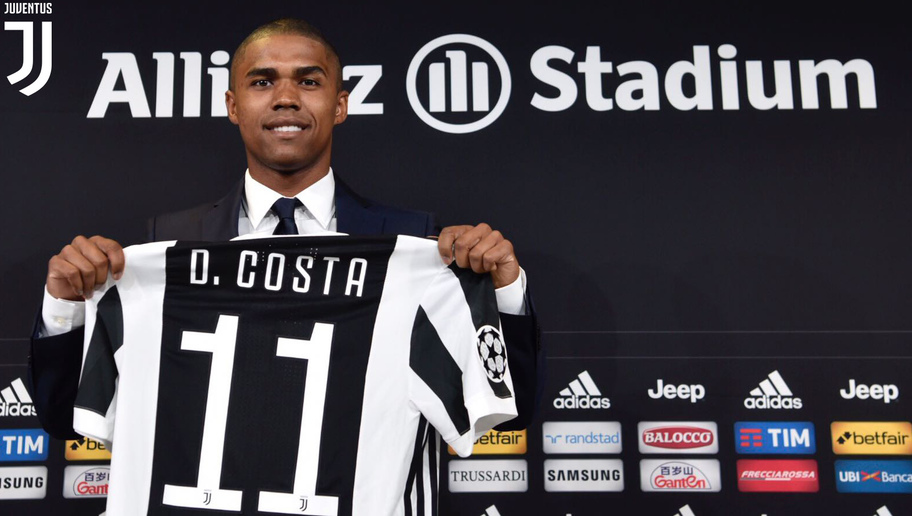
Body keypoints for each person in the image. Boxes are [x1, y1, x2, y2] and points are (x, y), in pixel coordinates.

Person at [29, 19, 541, 443]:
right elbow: (68, 419)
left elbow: (506, 414)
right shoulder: (168, 245)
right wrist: (64, 308)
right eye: (262, 82)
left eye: (309, 82)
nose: (286, 98)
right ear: (233, 106)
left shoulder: (414, 242)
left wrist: (503, 294)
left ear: (340, 105)